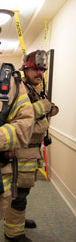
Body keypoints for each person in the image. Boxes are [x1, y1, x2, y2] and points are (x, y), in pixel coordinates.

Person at [4, 50, 59, 242]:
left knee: (24, 191)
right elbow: (19, 117)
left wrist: (49, 107)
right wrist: (43, 108)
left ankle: (17, 220)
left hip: (32, 151)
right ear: (25, 68)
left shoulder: (34, 88)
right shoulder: (19, 89)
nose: (39, 73)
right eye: (35, 69)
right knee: (18, 193)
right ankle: (13, 231)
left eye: (42, 70)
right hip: (21, 151)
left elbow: (45, 110)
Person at [0, 63, 34, 222]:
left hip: (6, 168)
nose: (39, 73)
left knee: (19, 198)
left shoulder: (10, 82)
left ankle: (14, 232)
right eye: (36, 69)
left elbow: (26, 125)